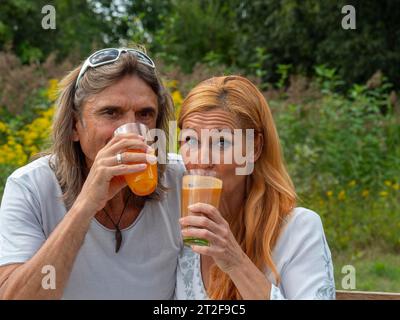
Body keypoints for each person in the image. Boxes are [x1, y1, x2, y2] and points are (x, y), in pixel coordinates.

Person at [0, 48, 184, 299]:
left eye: (145, 114)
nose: (132, 132)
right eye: (111, 112)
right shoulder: (31, 187)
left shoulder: (181, 179)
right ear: (75, 125)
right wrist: (85, 205)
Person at [175, 75, 335, 300]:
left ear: (254, 148)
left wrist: (234, 261)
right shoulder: (179, 225)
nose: (201, 159)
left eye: (221, 142)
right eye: (191, 140)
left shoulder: (298, 230)